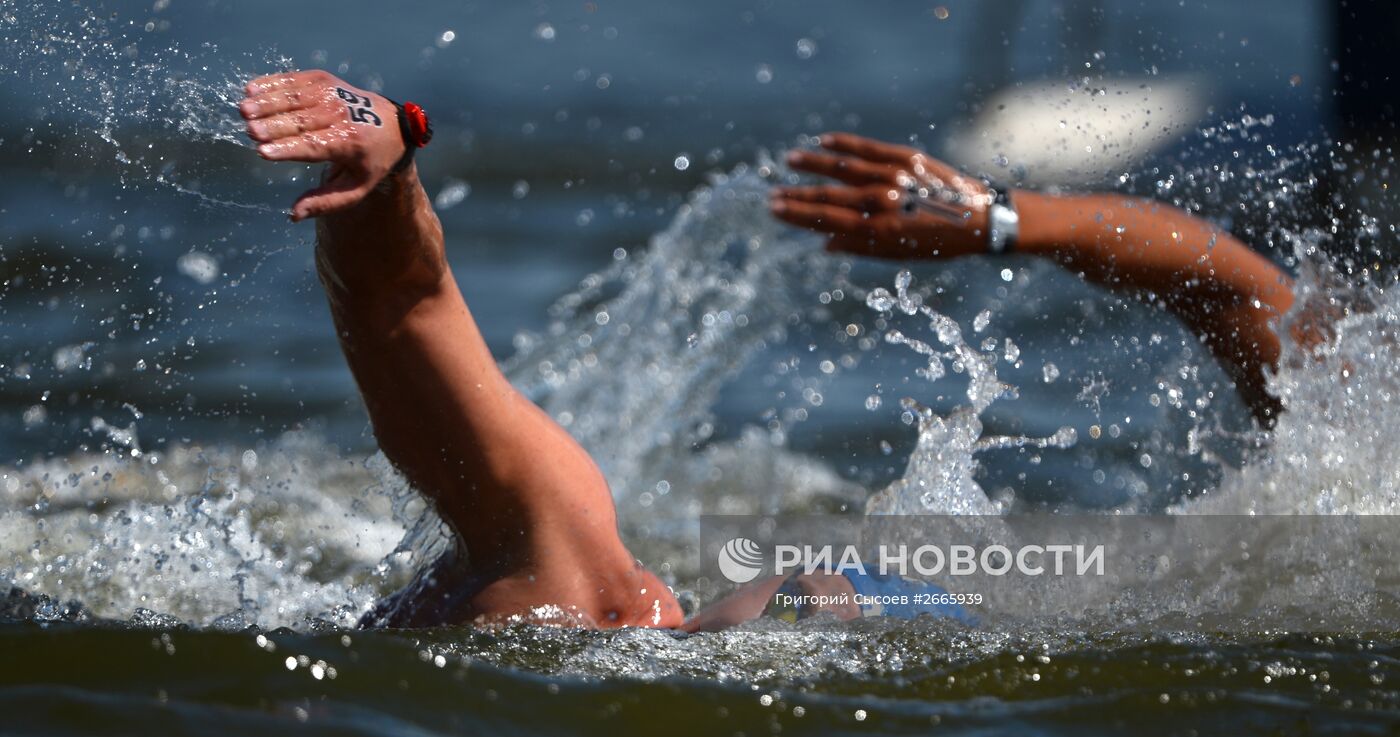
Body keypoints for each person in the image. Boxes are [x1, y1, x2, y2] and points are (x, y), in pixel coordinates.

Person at [239, 70, 1298, 631]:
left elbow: (402, 299)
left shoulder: (566, 579)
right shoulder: (572, 574)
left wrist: (386, 176)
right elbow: (1247, 292)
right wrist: (998, 223)